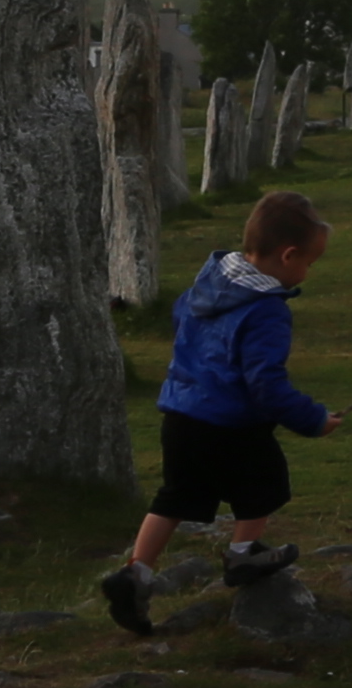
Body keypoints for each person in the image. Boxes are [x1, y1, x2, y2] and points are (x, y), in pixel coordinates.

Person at [99, 189, 335, 634]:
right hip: (232, 425)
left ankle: (136, 574)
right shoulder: (266, 310)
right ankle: (243, 555)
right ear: (287, 256)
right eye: (309, 262)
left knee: (174, 497)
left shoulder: (206, 284)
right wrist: (313, 418)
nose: (307, 271)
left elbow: (178, 320)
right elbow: (266, 384)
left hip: (181, 416)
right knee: (264, 483)